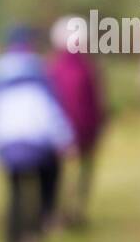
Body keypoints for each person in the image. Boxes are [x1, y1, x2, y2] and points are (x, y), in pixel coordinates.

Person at [0, 27, 74, 242]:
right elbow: (51, 110)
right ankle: (35, 237)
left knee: (15, 194)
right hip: (38, 142)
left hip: (8, 143)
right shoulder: (41, 73)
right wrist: (65, 139)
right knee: (43, 191)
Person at [46, 15, 107, 227]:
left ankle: (63, 213)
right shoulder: (88, 67)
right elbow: (97, 102)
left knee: (61, 176)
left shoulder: (53, 67)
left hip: (64, 132)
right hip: (82, 132)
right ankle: (71, 212)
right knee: (77, 175)